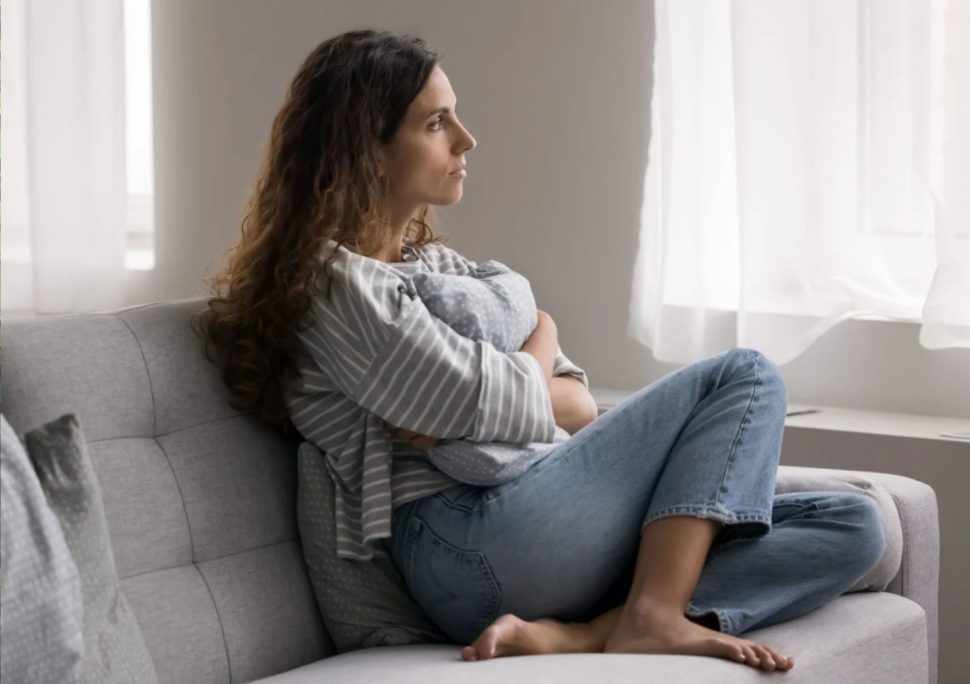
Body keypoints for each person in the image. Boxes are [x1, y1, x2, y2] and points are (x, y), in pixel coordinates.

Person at [197, 29, 888, 673]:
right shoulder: (335, 284)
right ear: (364, 150)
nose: (467, 139)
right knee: (745, 375)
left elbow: (579, 406)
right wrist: (537, 351)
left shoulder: (444, 270)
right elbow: (477, 400)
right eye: (436, 123)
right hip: (463, 542)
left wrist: (535, 353)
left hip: (539, 521)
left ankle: (593, 630)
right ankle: (650, 613)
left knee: (853, 524)